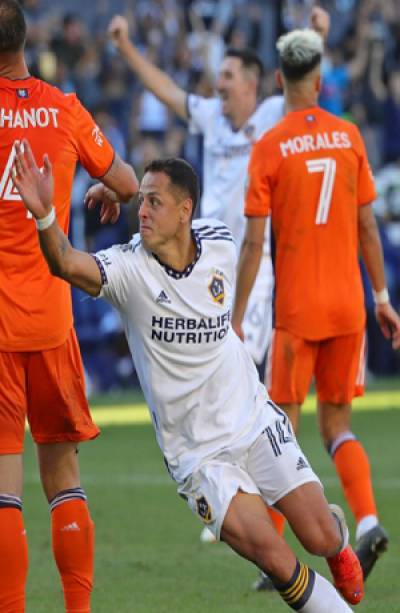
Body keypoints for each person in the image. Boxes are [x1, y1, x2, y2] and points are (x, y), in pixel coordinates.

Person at [13, 145, 364, 613]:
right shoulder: (127, 270)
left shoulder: (219, 241)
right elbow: (65, 263)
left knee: (318, 534)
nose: (143, 212)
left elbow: (259, 226)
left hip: (255, 422)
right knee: (274, 557)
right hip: (199, 458)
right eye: (141, 201)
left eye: (154, 202)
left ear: (186, 212)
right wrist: (43, 216)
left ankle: (337, 541)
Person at [106, 6, 330, 550]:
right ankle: (236, 492)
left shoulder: (276, 112)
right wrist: (128, 48)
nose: (219, 85)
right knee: (224, 372)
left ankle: (260, 496)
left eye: (228, 77)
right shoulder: (210, 118)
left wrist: (317, 33)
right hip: (196, 261)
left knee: (245, 377)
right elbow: (167, 93)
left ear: (255, 86)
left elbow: (303, 77)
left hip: (247, 264)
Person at [232, 27, 400, 586]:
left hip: (297, 311)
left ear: (280, 80)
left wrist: (234, 318)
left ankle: (275, 554)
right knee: (338, 426)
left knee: (279, 428)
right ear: (320, 80)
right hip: (349, 305)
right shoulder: (350, 136)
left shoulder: (271, 145)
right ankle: (369, 519)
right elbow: (368, 226)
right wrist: (381, 296)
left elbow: (255, 242)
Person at [0, 1, 139, 611]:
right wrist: (106, 185)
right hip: (53, 320)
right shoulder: (64, 108)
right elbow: (132, 183)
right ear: (26, 39)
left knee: (4, 493)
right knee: (63, 479)